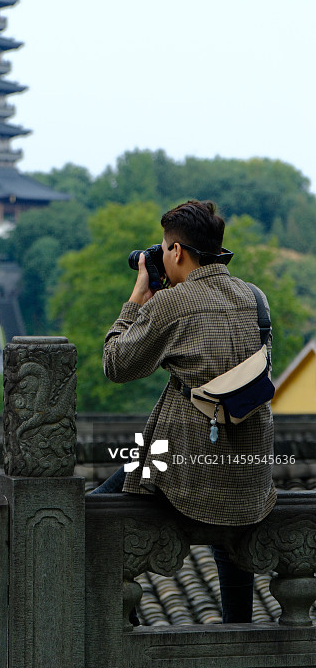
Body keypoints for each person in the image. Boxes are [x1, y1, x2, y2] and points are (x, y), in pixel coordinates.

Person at [93, 199, 275, 624]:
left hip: (189, 468)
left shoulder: (172, 305)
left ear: (176, 252)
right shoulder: (255, 298)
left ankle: (125, 621)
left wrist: (138, 298)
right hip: (249, 473)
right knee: (231, 534)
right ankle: (239, 633)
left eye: (162, 248)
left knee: (95, 514)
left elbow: (116, 364)